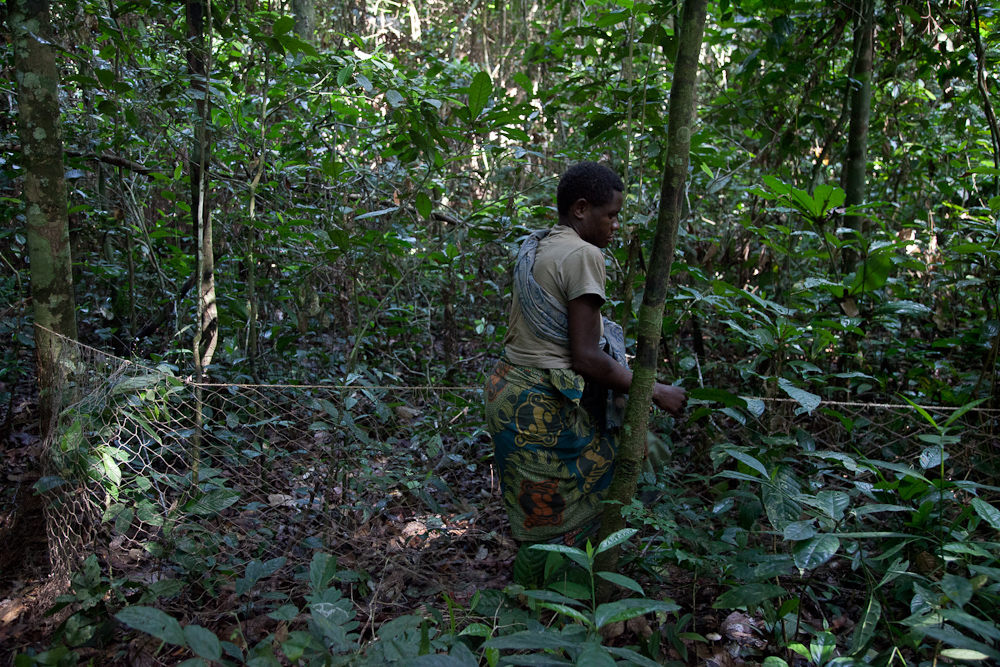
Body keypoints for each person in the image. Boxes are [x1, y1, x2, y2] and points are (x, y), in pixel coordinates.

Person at [485, 162, 687, 574]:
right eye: (610, 215)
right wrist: (657, 390)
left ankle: (540, 597)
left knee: (542, 513)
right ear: (581, 209)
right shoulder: (583, 254)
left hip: (508, 393)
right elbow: (586, 356)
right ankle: (568, 595)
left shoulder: (541, 244)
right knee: (642, 457)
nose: (616, 225)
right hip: (539, 405)